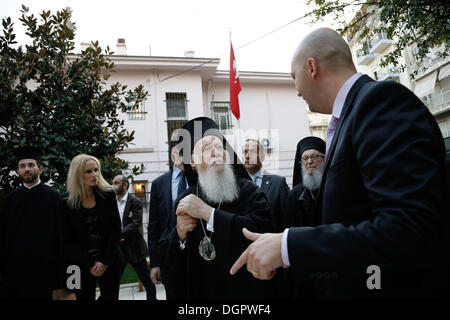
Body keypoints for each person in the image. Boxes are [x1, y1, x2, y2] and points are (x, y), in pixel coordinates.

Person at [230, 28, 447, 299]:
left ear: (312, 67)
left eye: (293, 77)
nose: (296, 91)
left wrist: (289, 246)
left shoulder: (380, 102)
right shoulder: (349, 118)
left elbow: (408, 229)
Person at [159, 117, 273, 299]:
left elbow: (262, 232)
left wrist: (208, 213)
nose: (215, 152)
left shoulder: (248, 190)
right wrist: (179, 236)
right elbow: (167, 258)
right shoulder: (184, 199)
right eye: (205, 148)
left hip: (243, 292)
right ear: (193, 163)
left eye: (219, 147)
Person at [0, 146, 62, 300]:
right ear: (18, 171)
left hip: (45, 270)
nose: (26, 169)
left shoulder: (54, 197)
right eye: (22, 166)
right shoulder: (10, 200)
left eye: (31, 165)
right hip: (16, 270)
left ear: (40, 169)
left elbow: (62, 235)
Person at [61, 154, 123, 300]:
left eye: (96, 170)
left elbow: (115, 229)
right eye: (88, 171)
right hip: (79, 264)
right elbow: (66, 238)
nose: (94, 174)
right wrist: (90, 263)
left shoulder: (107, 195)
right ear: (77, 174)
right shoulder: (65, 201)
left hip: (110, 260)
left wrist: (104, 262)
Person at [148, 133, 188, 300]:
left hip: (195, 255)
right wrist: (155, 263)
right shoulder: (159, 184)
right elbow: (154, 226)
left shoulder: (200, 180)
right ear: (174, 152)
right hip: (168, 256)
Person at [113, 174, 156, 301]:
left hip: (134, 247)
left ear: (125, 185)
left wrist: (119, 234)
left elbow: (136, 223)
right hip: (118, 248)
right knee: (113, 280)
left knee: (145, 278)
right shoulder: (112, 202)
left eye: (116, 183)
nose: (113, 186)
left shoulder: (135, 202)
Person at [243, 139, 290, 232]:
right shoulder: (237, 185)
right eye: (245, 152)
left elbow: (287, 219)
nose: (247, 156)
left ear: (262, 157)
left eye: (252, 152)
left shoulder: (278, 183)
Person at [286, 136, 326, 227]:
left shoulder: (334, 187)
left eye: (315, 157)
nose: (309, 161)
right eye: (305, 158)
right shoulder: (294, 194)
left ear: (324, 160)